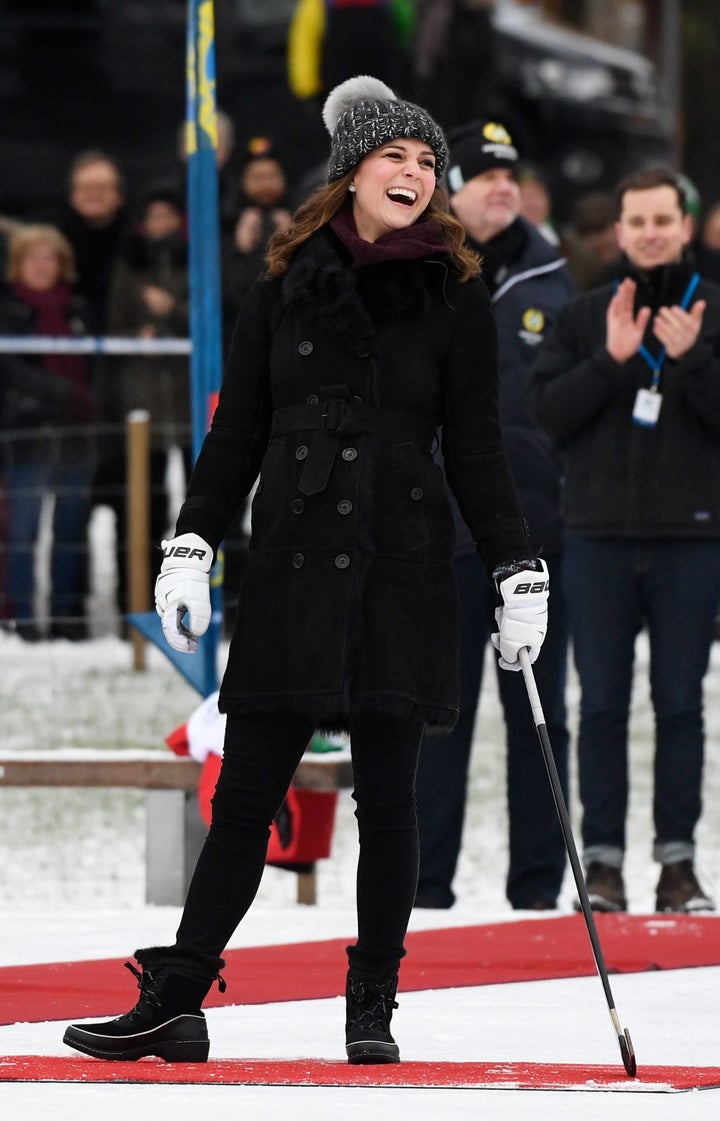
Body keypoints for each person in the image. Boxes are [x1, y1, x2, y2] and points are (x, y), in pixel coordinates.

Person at [62, 75, 548, 1066]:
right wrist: (191, 540)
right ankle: (179, 995)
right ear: (351, 172)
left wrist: (515, 563)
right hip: (293, 558)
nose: (416, 171)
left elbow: (479, 445)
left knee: (389, 793)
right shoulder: (283, 283)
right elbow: (236, 426)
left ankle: (373, 999)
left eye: (426, 160)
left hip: (402, 558)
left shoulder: (456, 290)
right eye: (394, 156)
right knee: (246, 793)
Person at [527, 167, 720, 914]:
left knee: (680, 705)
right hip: (598, 539)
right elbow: (546, 412)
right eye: (636, 221)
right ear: (619, 231)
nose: (648, 233)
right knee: (601, 704)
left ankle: (679, 864)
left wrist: (695, 359)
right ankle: (601, 865)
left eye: (662, 220)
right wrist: (612, 362)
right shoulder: (582, 316)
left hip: (691, 540)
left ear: (684, 224)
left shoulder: (712, 311)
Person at [414, 119, 574, 911]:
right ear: (453, 188)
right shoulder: (421, 272)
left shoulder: (556, 280)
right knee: (438, 714)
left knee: (542, 718)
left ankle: (539, 890)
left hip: (536, 532)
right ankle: (422, 885)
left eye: (511, 174)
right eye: (484, 173)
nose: (502, 186)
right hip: (443, 528)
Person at [0, 224, 97, 640]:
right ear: (18, 265)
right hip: (28, 434)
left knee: (70, 531)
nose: (42, 266)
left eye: (49, 257)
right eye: (32, 258)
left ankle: (66, 619)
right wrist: (64, 391)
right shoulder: (8, 308)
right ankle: (23, 620)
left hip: (78, 433)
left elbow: (98, 366)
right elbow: (12, 369)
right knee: (23, 531)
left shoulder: (79, 308)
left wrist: (89, 400)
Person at [100, 187, 191, 611]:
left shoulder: (199, 259)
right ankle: (141, 602)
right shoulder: (127, 267)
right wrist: (138, 336)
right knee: (147, 506)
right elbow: (113, 326)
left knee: (200, 506)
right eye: (152, 216)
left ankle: (208, 599)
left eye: (168, 215)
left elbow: (220, 315)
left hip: (190, 397)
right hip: (144, 401)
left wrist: (172, 310)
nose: (161, 224)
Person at [55, 150, 129, 331]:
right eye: (86, 187)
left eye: (102, 187)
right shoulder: (54, 241)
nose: (94, 194)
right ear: (72, 195)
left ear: (119, 196)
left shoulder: (140, 242)